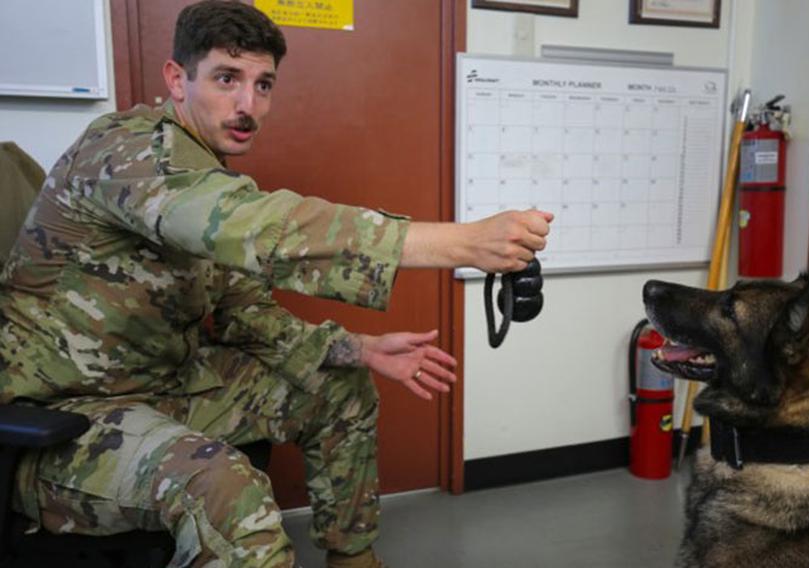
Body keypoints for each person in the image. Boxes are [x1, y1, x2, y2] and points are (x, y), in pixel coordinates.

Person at [0, 2, 552, 567]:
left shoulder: (218, 182)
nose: (247, 105)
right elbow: (257, 227)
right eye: (226, 79)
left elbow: (247, 314)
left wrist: (358, 349)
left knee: (339, 389)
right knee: (230, 492)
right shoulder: (121, 151)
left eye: (263, 85)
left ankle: (353, 558)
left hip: (167, 387)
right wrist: (460, 244)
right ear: (176, 80)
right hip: (70, 420)